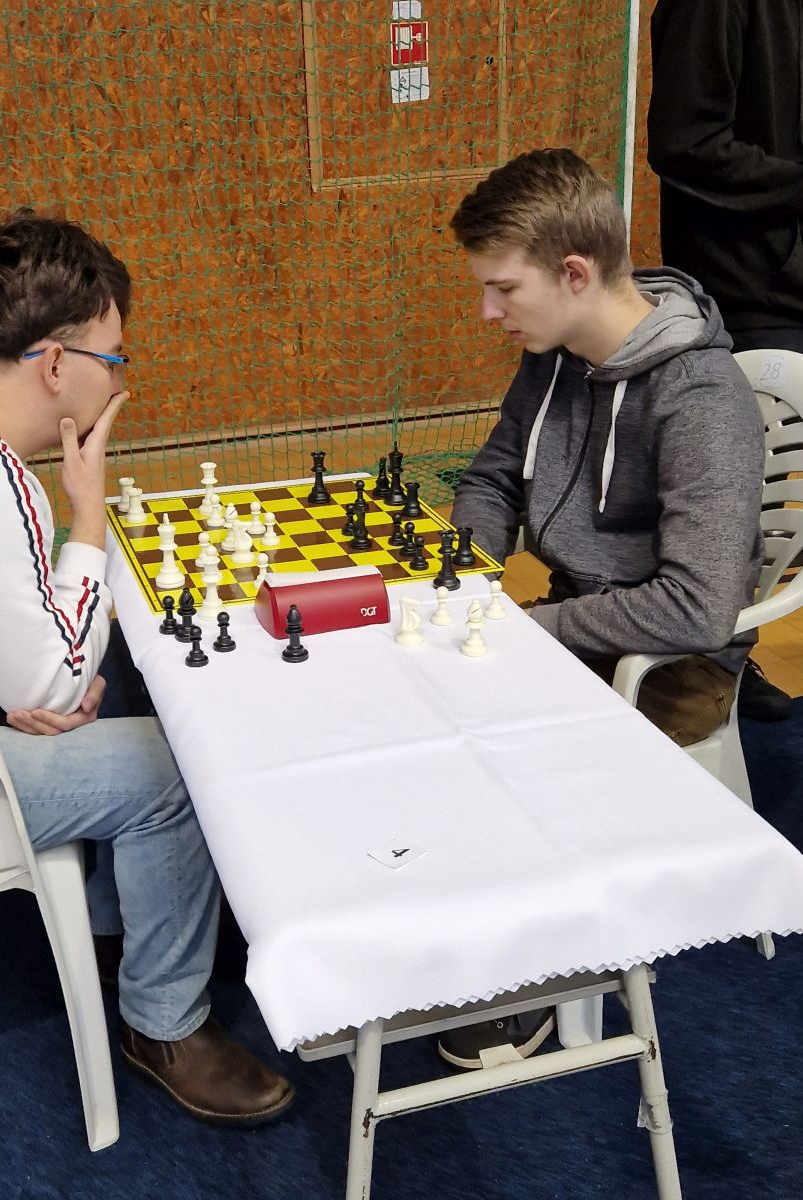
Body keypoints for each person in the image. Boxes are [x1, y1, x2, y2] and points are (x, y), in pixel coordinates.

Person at [0, 210, 294, 1128]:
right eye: (113, 359)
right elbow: (56, 686)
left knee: (121, 664)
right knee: (173, 765)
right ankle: (164, 1022)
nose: (120, 380)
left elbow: (36, 650)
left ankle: (117, 930)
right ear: (54, 365)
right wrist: (85, 511)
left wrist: (43, 679)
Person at [439, 148, 763, 1067]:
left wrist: (527, 631)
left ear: (574, 274)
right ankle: (439, 917)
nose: (488, 312)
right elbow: (494, 478)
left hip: (671, 664)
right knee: (418, 700)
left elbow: (698, 608)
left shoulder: (702, 398)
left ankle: (539, 976)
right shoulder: (552, 358)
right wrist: (467, 572)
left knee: (498, 753)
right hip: (575, 621)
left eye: (504, 288)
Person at [647, 0, 802, 719]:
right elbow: (686, 144)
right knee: (732, 501)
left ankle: (724, 658)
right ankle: (708, 667)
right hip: (747, 290)